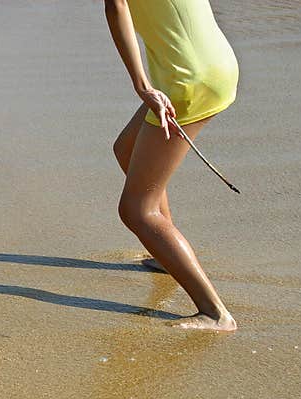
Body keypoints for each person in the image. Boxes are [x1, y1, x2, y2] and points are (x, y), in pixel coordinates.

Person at [104, 0, 239, 331]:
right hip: (214, 64)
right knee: (127, 148)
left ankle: (214, 313)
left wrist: (142, 85)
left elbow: (116, 5)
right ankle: (166, 256)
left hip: (186, 82)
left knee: (136, 210)